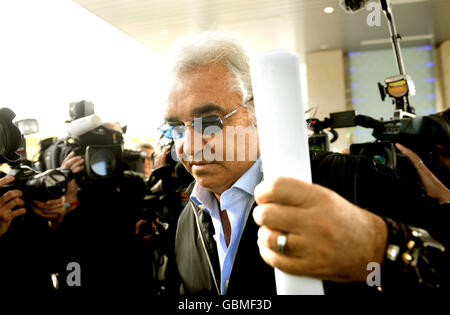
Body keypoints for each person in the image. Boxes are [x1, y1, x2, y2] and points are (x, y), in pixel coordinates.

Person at [162, 31, 447, 295]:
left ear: (258, 111)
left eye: (210, 122)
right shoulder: (187, 218)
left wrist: (384, 247)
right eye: (176, 128)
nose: (188, 146)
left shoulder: (349, 181)